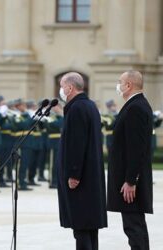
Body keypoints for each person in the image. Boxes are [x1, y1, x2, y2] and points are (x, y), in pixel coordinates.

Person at [57, 72, 107, 250]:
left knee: (81, 227)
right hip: (90, 175)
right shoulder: (89, 105)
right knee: (89, 227)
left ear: (70, 88)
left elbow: (77, 144)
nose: (61, 90)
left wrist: (73, 173)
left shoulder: (77, 108)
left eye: (62, 86)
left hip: (81, 177)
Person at [107, 70, 153, 250]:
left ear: (128, 85)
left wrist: (130, 180)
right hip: (129, 178)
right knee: (134, 225)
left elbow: (136, 148)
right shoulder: (136, 105)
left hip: (130, 182)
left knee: (133, 226)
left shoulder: (135, 107)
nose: (118, 85)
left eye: (120, 82)